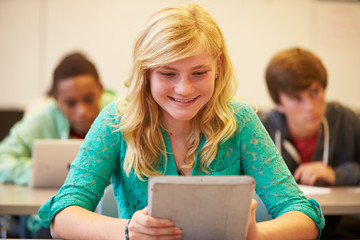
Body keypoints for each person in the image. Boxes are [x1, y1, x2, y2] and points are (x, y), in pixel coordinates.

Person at [39, 4, 324, 239]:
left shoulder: (241, 120)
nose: (184, 89)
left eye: (198, 73)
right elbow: (62, 214)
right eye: (167, 73)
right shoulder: (116, 121)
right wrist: (128, 230)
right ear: (146, 72)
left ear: (218, 67)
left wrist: (257, 235)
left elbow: (304, 217)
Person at [0, 52, 117, 185]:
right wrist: (38, 173)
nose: (81, 111)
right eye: (70, 103)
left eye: (88, 99)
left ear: (101, 90)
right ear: (56, 100)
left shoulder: (121, 112)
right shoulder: (43, 117)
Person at [261, 47, 360, 187]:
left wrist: (337, 174)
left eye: (315, 92)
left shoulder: (347, 120)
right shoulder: (260, 131)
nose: (310, 107)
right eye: (296, 98)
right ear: (278, 104)